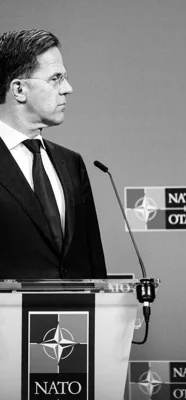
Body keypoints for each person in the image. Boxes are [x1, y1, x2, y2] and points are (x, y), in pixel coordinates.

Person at [0, 29, 107, 279]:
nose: (67, 88)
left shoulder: (71, 163)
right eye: (55, 78)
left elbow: (93, 261)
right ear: (19, 90)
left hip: (72, 315)